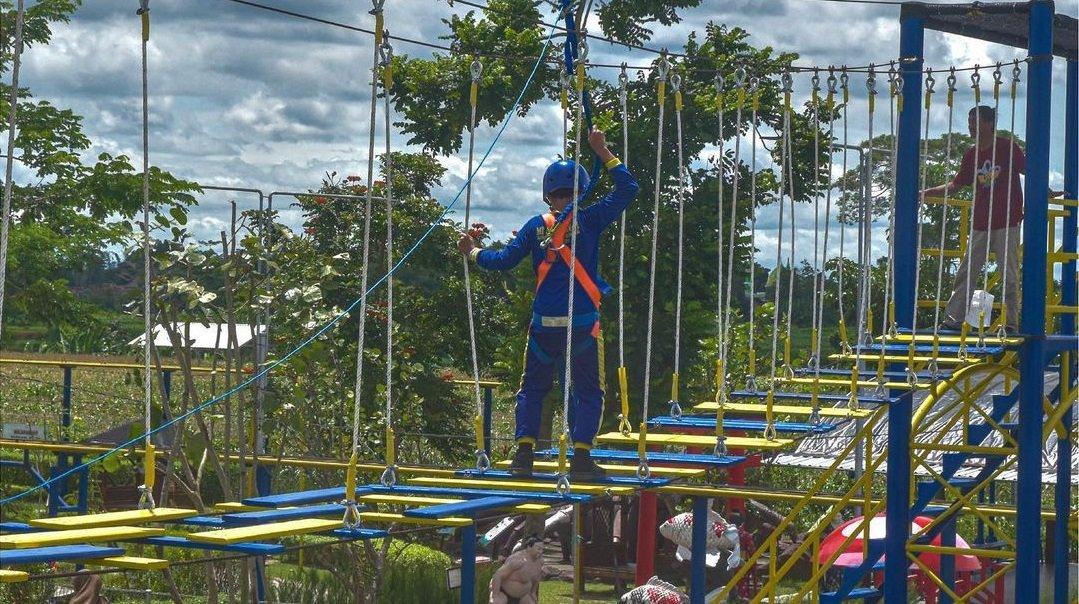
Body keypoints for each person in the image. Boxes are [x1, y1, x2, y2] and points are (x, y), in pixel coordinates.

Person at [458, 127, 639, 481]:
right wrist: (602, 151)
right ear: (582, 190)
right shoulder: (589, 219)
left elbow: (501, 261)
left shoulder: (534, 227)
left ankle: (523, 455)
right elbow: (628, 189)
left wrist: (472, 251)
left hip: (544, 325)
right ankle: (582, 457)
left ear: (547, 194)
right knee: (587, 389)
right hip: (583, 323)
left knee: (533, 388)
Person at [921, 105, 1025, 333]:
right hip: (981, 221)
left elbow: (1031, 170)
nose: (971, 128)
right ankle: (953, 320)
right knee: (967, 271)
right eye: (969, 124)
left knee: (1009, 274)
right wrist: (927, 192)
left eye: (975, 124)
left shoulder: (1008, 148)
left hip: (1007, 220)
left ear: (989, 124)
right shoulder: (971, 154)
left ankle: (1011, 324)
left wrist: (1046, 190)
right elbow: (956, 184)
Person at [489, 536, 546, 604]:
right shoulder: (517, 559)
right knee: (497, 603)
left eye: (542, 549)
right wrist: (495, 596)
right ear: (529, 547)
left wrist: (533, 592)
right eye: (538, 549)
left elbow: (536, 579)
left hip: (523, 596)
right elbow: (497, 575)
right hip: (504, 592)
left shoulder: (539, 562)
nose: (541, 552)